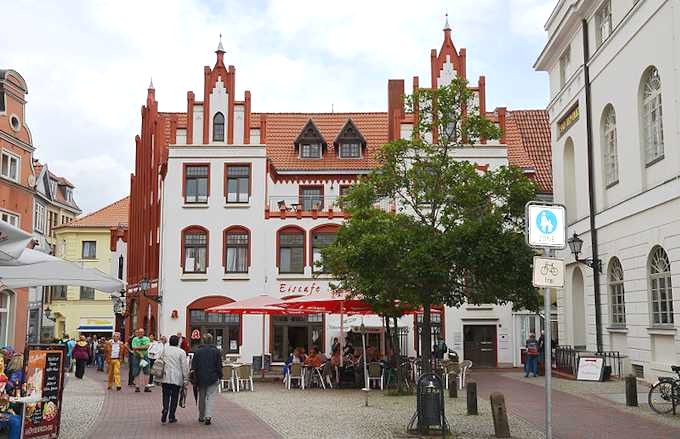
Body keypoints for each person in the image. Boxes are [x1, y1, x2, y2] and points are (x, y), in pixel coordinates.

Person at [191, 333, 222, 425]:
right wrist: (220, 376)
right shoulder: (216, 351)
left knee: (201, 397)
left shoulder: (197, 351)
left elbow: (194, 366)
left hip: (200, 378)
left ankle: (201, 416)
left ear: (203, 341)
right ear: (211, 341)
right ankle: (208, 416)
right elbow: (219, 366)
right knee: (210, 397)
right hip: (213, 377)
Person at [160, 335, 189, 424]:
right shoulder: (181, 352)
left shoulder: (165, 350)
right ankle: (172, 416)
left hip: (165, 375)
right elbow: (184, 366)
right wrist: (186, 379)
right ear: (178, 342)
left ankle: (165, 408)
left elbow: (160, 362)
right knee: (175, 396)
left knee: (165, 394)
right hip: (177, 377)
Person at [130, 328, 152, 392]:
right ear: (137, 333)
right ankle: (137, 387)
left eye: (142, 332)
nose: (140, 333)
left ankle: (146, 386)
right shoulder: (135, 339)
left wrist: (137, 348)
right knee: (136, 372)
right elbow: (134, 348)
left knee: (147, 372)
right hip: (136, 357)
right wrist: (140, 352)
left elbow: (147, 347)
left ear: (144, 333)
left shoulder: (147, 339)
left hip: (145, 357)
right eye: (139, 332)